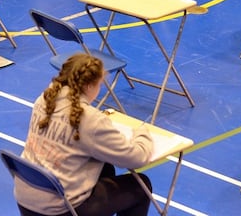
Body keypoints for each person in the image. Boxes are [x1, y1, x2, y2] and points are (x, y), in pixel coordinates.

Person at [14, 53, 153, 216]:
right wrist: (142, 133)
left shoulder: (44, 100)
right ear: (88, 86)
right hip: (58, 209)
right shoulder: (90, 120)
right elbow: (137, 158)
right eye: (99, 84)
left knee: (105, 168)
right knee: (141, 186)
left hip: (26, 198)